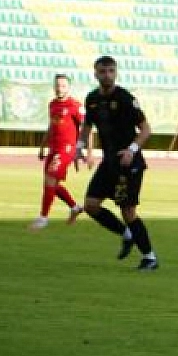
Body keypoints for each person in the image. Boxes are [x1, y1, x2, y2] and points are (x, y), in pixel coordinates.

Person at [77, 55, 157, 270]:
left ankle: (149, 257)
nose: (107, 75)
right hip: (109, 162)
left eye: (111, 71)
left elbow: (146, 129)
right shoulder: (92, 99)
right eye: (103, 72)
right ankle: (126, 233)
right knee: (91, 205)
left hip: (129, 163)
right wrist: (78, 148)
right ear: (95, 74)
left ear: (116, 73)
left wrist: (132, 149)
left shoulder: (125, 98)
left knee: (128, 211)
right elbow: (87, 126)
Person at [30, 73, 87, 229]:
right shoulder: (52, 104)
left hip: (66, 149)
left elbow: (87, 128)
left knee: (50, 181)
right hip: (53, 149)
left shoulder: (75, 105)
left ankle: (43, 218)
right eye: (57, 85)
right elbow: (51, 126)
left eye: (62, 85)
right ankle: (75, 207)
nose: (59, 88)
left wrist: (83, 150)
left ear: (68, 87)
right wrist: (42, 146)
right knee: (50, 184)